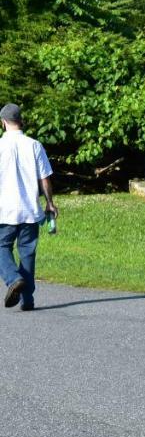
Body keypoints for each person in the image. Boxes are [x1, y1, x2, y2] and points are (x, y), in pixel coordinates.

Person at [0, 103, 56, 312]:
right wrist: (50, 203)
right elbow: (45, 178)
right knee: (28, 254)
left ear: (3, 122)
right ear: (20, 121)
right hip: (30, 210)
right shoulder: (34, 145)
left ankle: (13, 279)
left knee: (2, 247)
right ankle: (27, 300)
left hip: (4, 210)